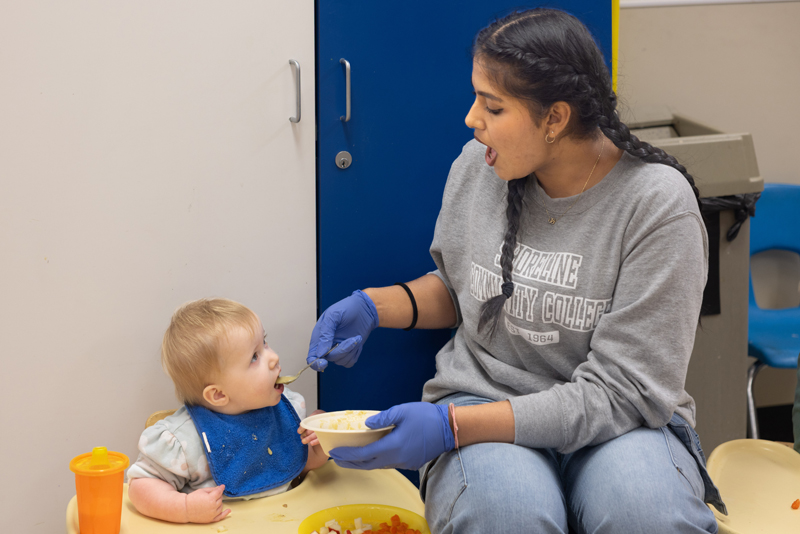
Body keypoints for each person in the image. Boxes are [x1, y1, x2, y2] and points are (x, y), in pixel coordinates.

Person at [301, 8, 727, 534]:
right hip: (485, 394)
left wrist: (450, 426)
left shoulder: (657, 205)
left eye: (492, 105)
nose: (471, 118)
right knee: (503, 518)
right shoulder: (481, 165)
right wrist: (373, 306)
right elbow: (465, 290)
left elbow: (622, 392)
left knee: (649, 517)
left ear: (555, 118)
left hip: (621, 423)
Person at [127, 298, 328, 524]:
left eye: (265, 343)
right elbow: (140, 487)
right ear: (219, 395)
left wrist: (321, 444)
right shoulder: (186, 441)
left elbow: (299, 465)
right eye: (254, 357)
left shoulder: (285, 408)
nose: (273, 358)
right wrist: (184, 508)